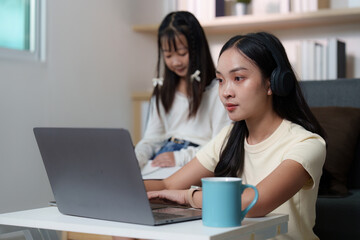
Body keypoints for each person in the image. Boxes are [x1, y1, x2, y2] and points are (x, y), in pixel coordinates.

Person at [145, 32, 327, 239]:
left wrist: (188, 196)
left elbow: (253, 203)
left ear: (272, 83)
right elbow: (168, 185)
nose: (225, 92)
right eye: (221, 80)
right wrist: (117, 188)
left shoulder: (307, 144)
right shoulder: (229, 136)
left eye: (238, 78)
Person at [135, 11, 230, 169]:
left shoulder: (217, 91)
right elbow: (151, 139)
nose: (176, 62)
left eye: (182, 53)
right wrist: (136, 158)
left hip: (195, 159)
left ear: (197, 50)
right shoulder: (162, 92)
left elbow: (220, 147)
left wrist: (180, 157)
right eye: (168, 55)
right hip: (162, 156)